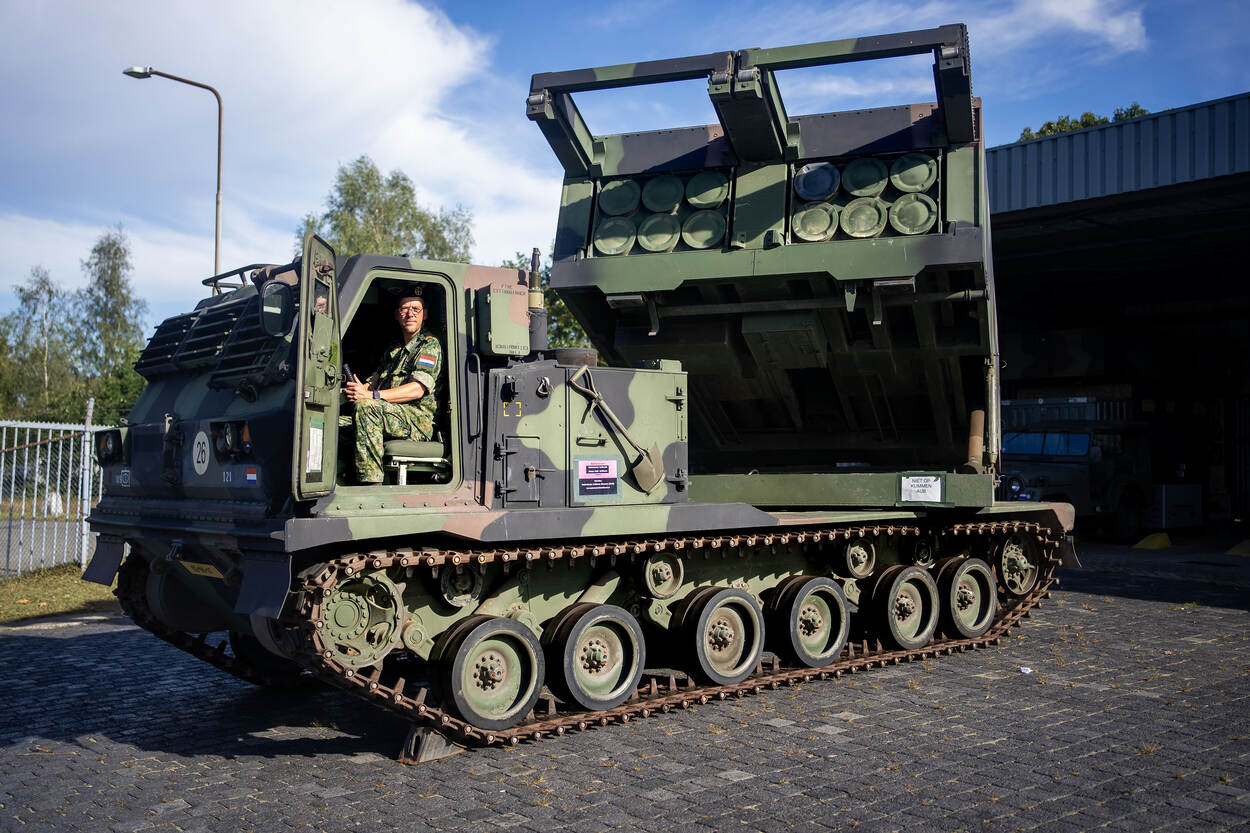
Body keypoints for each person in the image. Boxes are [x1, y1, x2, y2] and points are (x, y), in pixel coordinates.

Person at [341, 290, 443, 484]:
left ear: (425, 314)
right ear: (397, 315)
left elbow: (417, 389)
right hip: (390, 415)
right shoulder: (394, 350)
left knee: (366, 408)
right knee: (335, 425)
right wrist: (356, 390)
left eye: (416, 309)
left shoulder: (430, 346)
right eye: (404, 309)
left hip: (417, 421)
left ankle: (371, 486)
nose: (410, 313)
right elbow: (370, 385)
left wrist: (372, 396)